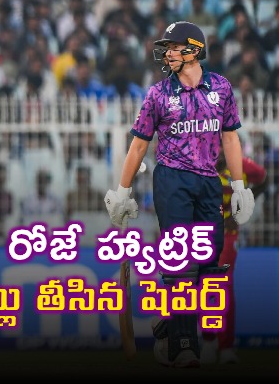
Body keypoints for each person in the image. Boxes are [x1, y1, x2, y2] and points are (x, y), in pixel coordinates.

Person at [104, 21, 254, 368]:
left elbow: (230, 137)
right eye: (166, 48)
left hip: (209, 181)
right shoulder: (158, 94)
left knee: (210, 263)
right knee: (181, 260)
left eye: (174, 47)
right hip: (172, 179)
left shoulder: (221, 87)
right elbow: (139, 145)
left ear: (194, 50)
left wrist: (239, 186)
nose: (167, 53)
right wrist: (123, 191)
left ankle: (168, 326)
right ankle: (183, 346)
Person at [200, 149, 268, 365]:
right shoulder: (198, 162)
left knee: (223, 285)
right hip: (202, 234)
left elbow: (263, 179)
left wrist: (242, 207)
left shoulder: (241, 164)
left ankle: (225, 347)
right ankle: (209, 341)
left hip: (228, 235)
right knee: (206, 286)